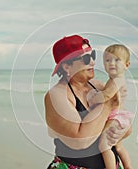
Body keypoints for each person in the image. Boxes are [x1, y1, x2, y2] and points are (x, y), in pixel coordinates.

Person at [45, 35, 128, 169]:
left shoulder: (98, 86)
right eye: (86, 58)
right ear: (67, 66)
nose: (93, 62)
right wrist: (107, 103)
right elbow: (80, 141)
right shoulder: (57, 95)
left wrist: (120, 133)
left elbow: (123, 123)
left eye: (93, 55)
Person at [87, 44, 134, 169]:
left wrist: (93, 100)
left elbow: (107, 95)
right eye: (108, 60)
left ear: (126, 65)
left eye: (117, 60)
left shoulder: (117, 80)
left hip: (116, 117)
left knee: (104, 146)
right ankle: (128, 166)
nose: (112, 63)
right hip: (120, 116)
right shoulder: (115, 79)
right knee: (118, 146)